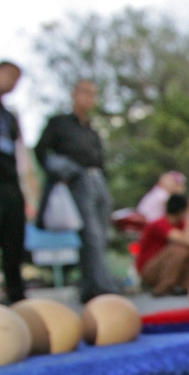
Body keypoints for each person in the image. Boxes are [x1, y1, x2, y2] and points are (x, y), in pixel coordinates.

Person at [35, 79, 123, 302]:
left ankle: (90, 285)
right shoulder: (59, 123)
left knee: (101, 234)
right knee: (90, 234)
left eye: (93, 93)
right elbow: (42, 150)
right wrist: (59, 174)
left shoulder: (91, 129)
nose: (88, 97)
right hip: (76, 179)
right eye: (84, 92)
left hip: (98, 179)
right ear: (74, 94)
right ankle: (104, 287)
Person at [0, 61, 38, 304]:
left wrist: (29, 192)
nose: (14, 83)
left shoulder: (9, 116)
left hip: (9, 183)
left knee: (14, 239)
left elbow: (21, 155)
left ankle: (16, 294)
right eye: (10, 76)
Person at [135, 192, 189, 295]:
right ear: (182, 211)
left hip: (165, 266)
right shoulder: (159, 224)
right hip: (148, 270)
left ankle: (185, 286)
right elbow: (188, 241)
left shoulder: (180, 224)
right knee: (179, 250)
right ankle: (163, 288)